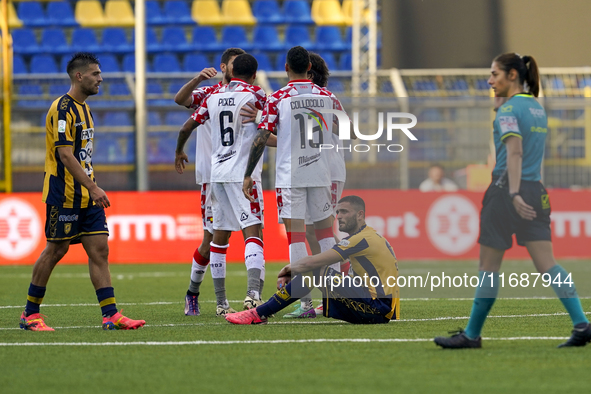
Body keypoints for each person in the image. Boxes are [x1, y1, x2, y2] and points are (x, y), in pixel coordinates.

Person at [434, 53, 591, 349]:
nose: (490, 80)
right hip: (536, 189)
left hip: (508, 190)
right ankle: (582, 324)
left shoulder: (508, 110)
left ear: (513, 76)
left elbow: (514, 152)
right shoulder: (536, 107)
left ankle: (471, 334)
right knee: (548, 264)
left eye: (495, 74)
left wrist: (513, 193)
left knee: (489, 266)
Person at [19, 52, 145, 331]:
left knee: (100, 249)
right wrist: (93, 186)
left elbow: (82, 154)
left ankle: (110, 315)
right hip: (64, 193)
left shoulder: (85, 108)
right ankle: (30, 314)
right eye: (95, 74)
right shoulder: (63, 109)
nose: (101, 79)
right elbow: (65, 155)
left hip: (87, 194)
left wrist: (90, 187)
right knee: (56, 248)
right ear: (79, 76)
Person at [242, 47, 341, 319]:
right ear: (310, 66)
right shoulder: (328, 96)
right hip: (321, 172)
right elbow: (342, 130)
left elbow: (262, 136)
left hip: (291, 176)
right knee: (325, 235)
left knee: (296, 236)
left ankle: (306, 305)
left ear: (286, 67)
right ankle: (333, 302)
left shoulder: (278, 99)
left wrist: (249, 173)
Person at [225, 196, 400, 325]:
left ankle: (259, 314)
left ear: (360, 215)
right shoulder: (369, 236)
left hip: (377, 308)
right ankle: (262, 313)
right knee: (319, 272)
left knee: (315, 271)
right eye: (337, 212)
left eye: (344, 212)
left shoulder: (360, 239)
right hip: (382, 307)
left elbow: (313, 263)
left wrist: (288, 269)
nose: (338, 216)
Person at [191, 53, 269, 311]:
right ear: (254, 74)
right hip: (244, 174)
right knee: (253, 232)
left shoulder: (212, 96)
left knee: (218, 237)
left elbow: (186, 124)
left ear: (230, 70)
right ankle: (253, 294)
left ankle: (221, 302)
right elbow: (271, 127)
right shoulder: (256, 95)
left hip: (216, 175)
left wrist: (180, 148)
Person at [175, 48, 245, 316]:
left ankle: (242, 297)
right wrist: (197, 79)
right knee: (212, 237)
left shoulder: (248, 94)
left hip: (240, 174)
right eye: (233, 65)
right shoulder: (209, 94)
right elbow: (180, 99)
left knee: (248, 232)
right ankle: (193, 293)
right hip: (212, 175)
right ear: (223, 67)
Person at [284, 52, 349, 319]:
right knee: (312, 233)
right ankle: (321, 296)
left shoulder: (322, 99)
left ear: (308, 74)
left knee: (322, 232)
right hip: (315, 171)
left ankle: (341, 288)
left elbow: (348, 132)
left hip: (327, 171)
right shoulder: (314, 100)